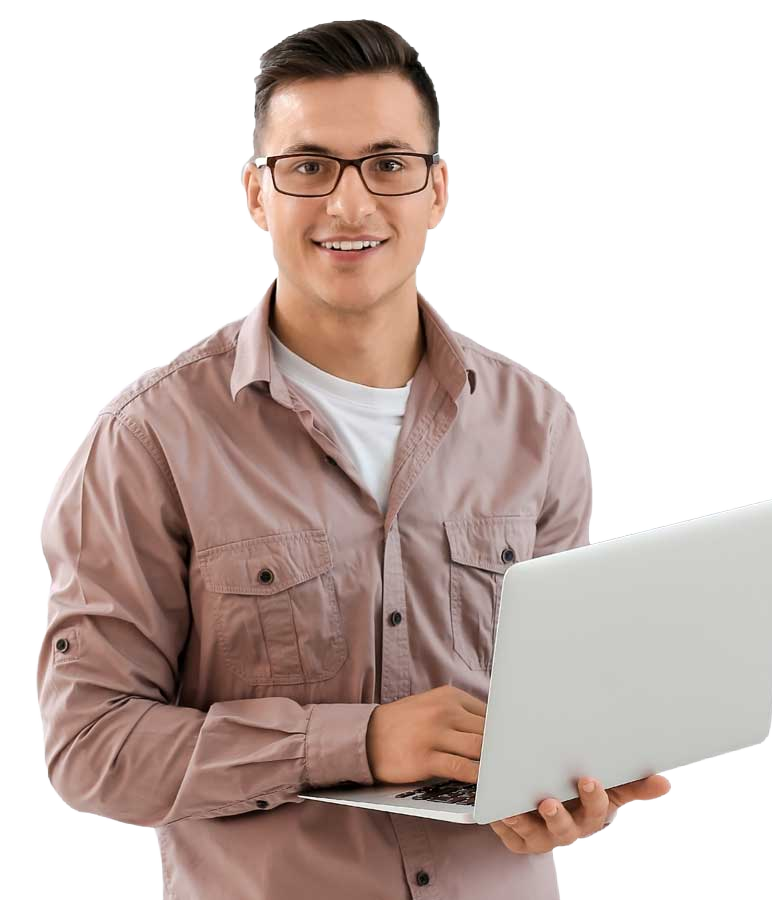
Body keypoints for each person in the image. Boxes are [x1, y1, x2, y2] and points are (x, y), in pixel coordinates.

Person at [35, 18, 670, 900]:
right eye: (308, 167)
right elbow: (89, 746)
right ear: (256, 194)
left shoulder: (537, 425)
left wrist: (568, 791)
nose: (349, 204)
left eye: (387, 163)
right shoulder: (150, 440)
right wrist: (358, 742)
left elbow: (557, 711)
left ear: (435, 190)